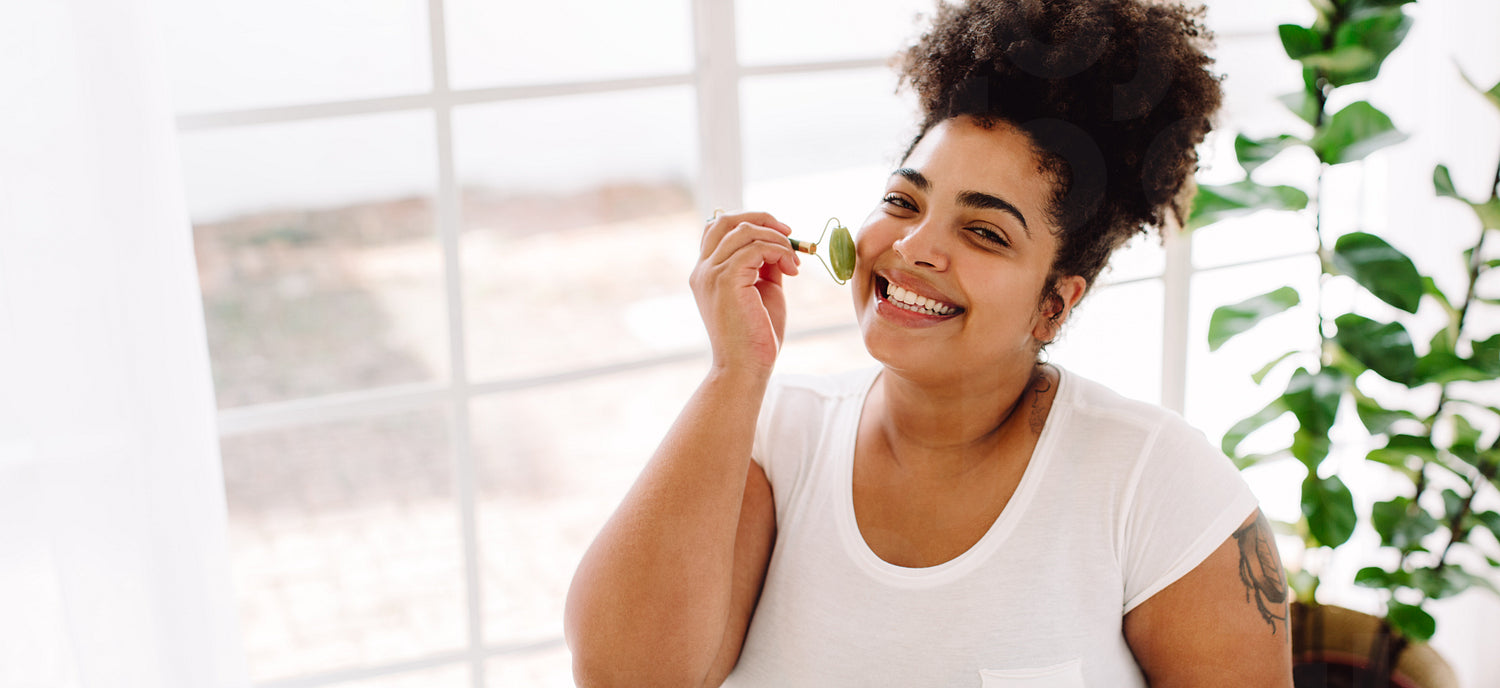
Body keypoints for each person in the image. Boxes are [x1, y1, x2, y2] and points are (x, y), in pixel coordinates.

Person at [565, 0, 1293, 685]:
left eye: (984, 232)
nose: (913, 247)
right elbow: (626, 675)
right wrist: (735, 372)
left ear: (1053, 305)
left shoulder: (1159, 484)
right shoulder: (774, 438)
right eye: (902, 201)